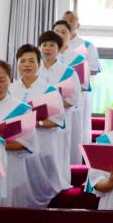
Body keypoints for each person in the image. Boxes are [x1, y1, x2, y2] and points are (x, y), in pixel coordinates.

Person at [9, 44, 69, 207]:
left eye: (31, 61)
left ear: (39, 64)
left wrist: (36, 122)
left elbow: (57, 121)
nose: (26, 65)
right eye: (22, 61)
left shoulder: (49, 91)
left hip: (41, 146)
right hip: (17, 148)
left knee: (41, 188)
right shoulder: (10, 90)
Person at [0, 60, 37, 207]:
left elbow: (26, 142)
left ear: (10, 80)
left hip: (10, 167)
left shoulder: (22, 109)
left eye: (1, 80)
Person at [38, 31, 83, 167]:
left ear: (59, 48)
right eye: (44, 45)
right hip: (37, 122)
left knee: (58, 153)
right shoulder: (34, 70)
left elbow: (72, 100)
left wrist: (48, 107)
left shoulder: (67, 72)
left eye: (52, 45)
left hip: (59, 122)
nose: (47, 48)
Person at [63, 11, 102, 148]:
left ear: (77, 24)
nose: (68, 23)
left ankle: (79, 155)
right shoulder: (52, 47)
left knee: (78, 128)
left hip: (80, 92)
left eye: (71, 21)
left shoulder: (87, 46)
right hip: (57, 94)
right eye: (65, 20)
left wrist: (72, 73)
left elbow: (94, 69)